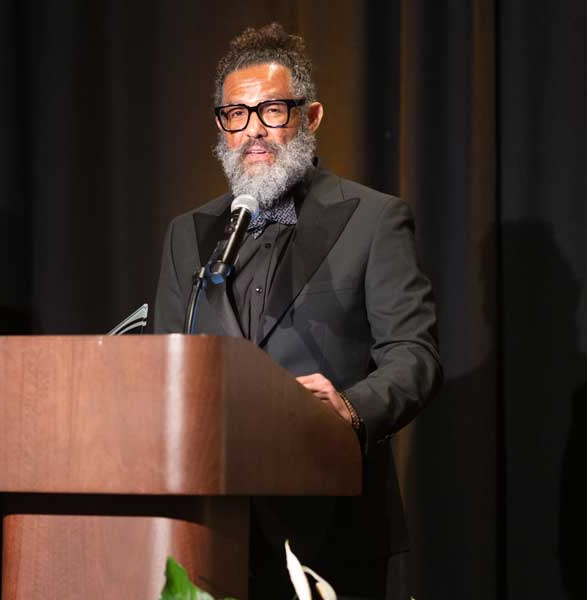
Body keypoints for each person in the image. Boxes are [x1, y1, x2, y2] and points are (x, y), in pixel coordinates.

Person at [153, 24, 441, 599]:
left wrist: (352, 410)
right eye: (236, 113)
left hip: (331, 524)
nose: (253, 130)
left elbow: (414, 357)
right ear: (220, 127)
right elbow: (162, 366)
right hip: (210, 521)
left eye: (272, 111)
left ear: (310, 117)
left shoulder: (373, 219)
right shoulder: (188, 234)